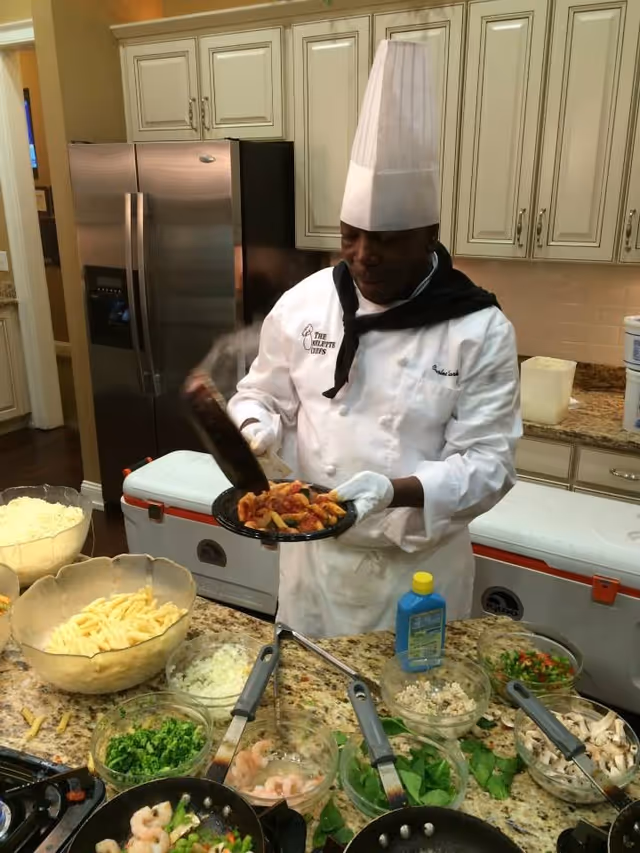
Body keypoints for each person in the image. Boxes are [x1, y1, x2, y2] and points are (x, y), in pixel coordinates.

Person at [227, 39, 521, 638]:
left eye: (386, 240)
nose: (364, 256)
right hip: (313, 565)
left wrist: (393, 491)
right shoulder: (305, 303)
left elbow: (489, 466)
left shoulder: (477, 328)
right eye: (350, 235)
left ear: (429, 234)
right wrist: (255, 425)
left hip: (416, 575)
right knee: (307, 691)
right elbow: (258, 393)